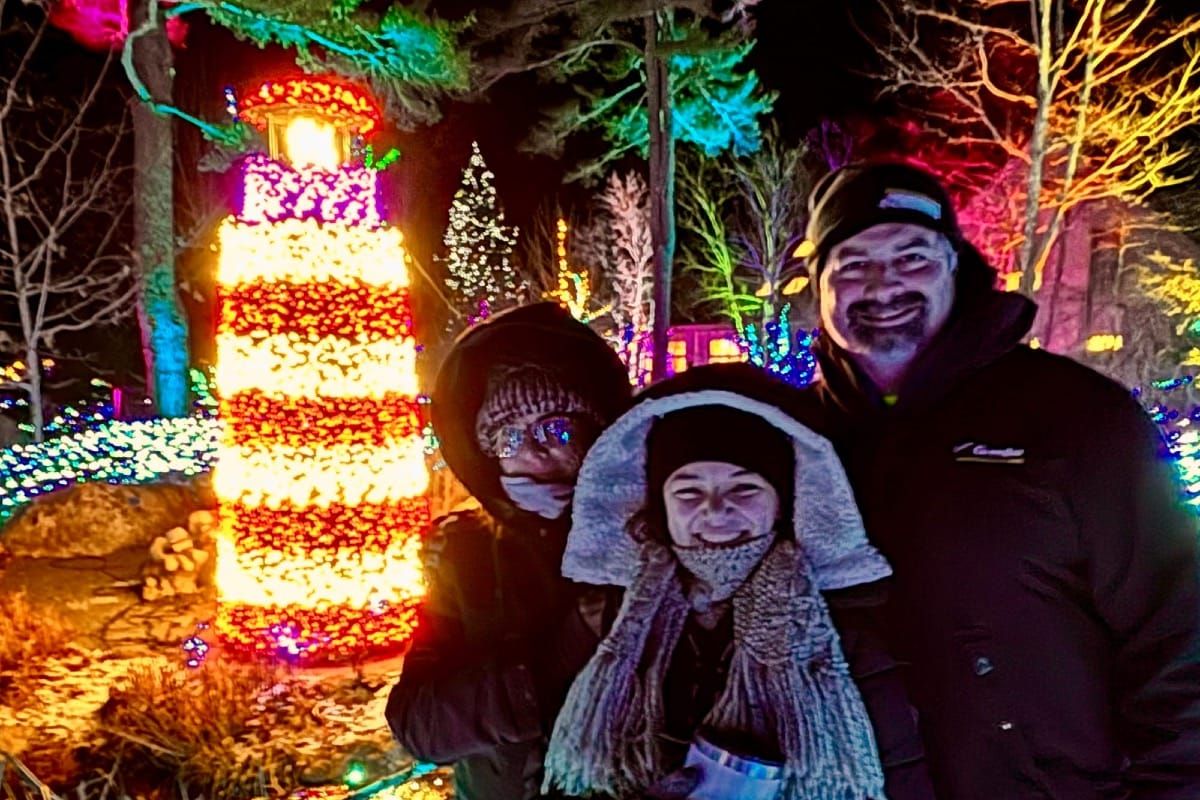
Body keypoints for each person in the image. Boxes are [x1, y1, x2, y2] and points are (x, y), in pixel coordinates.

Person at [800, 161, 1200, 798]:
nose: (883, 285)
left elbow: (1178, 630)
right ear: (818, 286)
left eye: (913, 258)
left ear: (957, 269)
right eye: (852, 264)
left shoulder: (1075, 417)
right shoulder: (793, 442)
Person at [542, 366, 933, 800]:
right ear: (661, 508)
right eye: (688, 492)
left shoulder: (844, 631)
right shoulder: (609, 619)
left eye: (744, 489)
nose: (715, 510)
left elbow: (900, 781)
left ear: (782, 503)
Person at [386, 303, 631, 799]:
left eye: (556, 429)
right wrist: (547, 668)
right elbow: (419, 724)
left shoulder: (643, 538)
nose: (535, 452)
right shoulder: (466, 554)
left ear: (595, 431)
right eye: (509, 437)